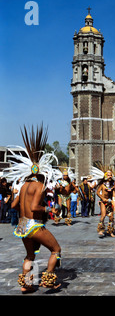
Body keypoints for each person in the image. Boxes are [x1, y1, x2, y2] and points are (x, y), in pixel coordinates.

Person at [5, 124, 61, 292]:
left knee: (30, 255)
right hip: (33, 224)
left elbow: (13, 205)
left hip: (22, 225)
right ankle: (49, 281)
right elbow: (36, 206)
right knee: (56, 249)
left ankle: (27, 286)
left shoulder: (23, 186)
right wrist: (50, 210)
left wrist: (16, 196)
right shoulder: (39, 186)